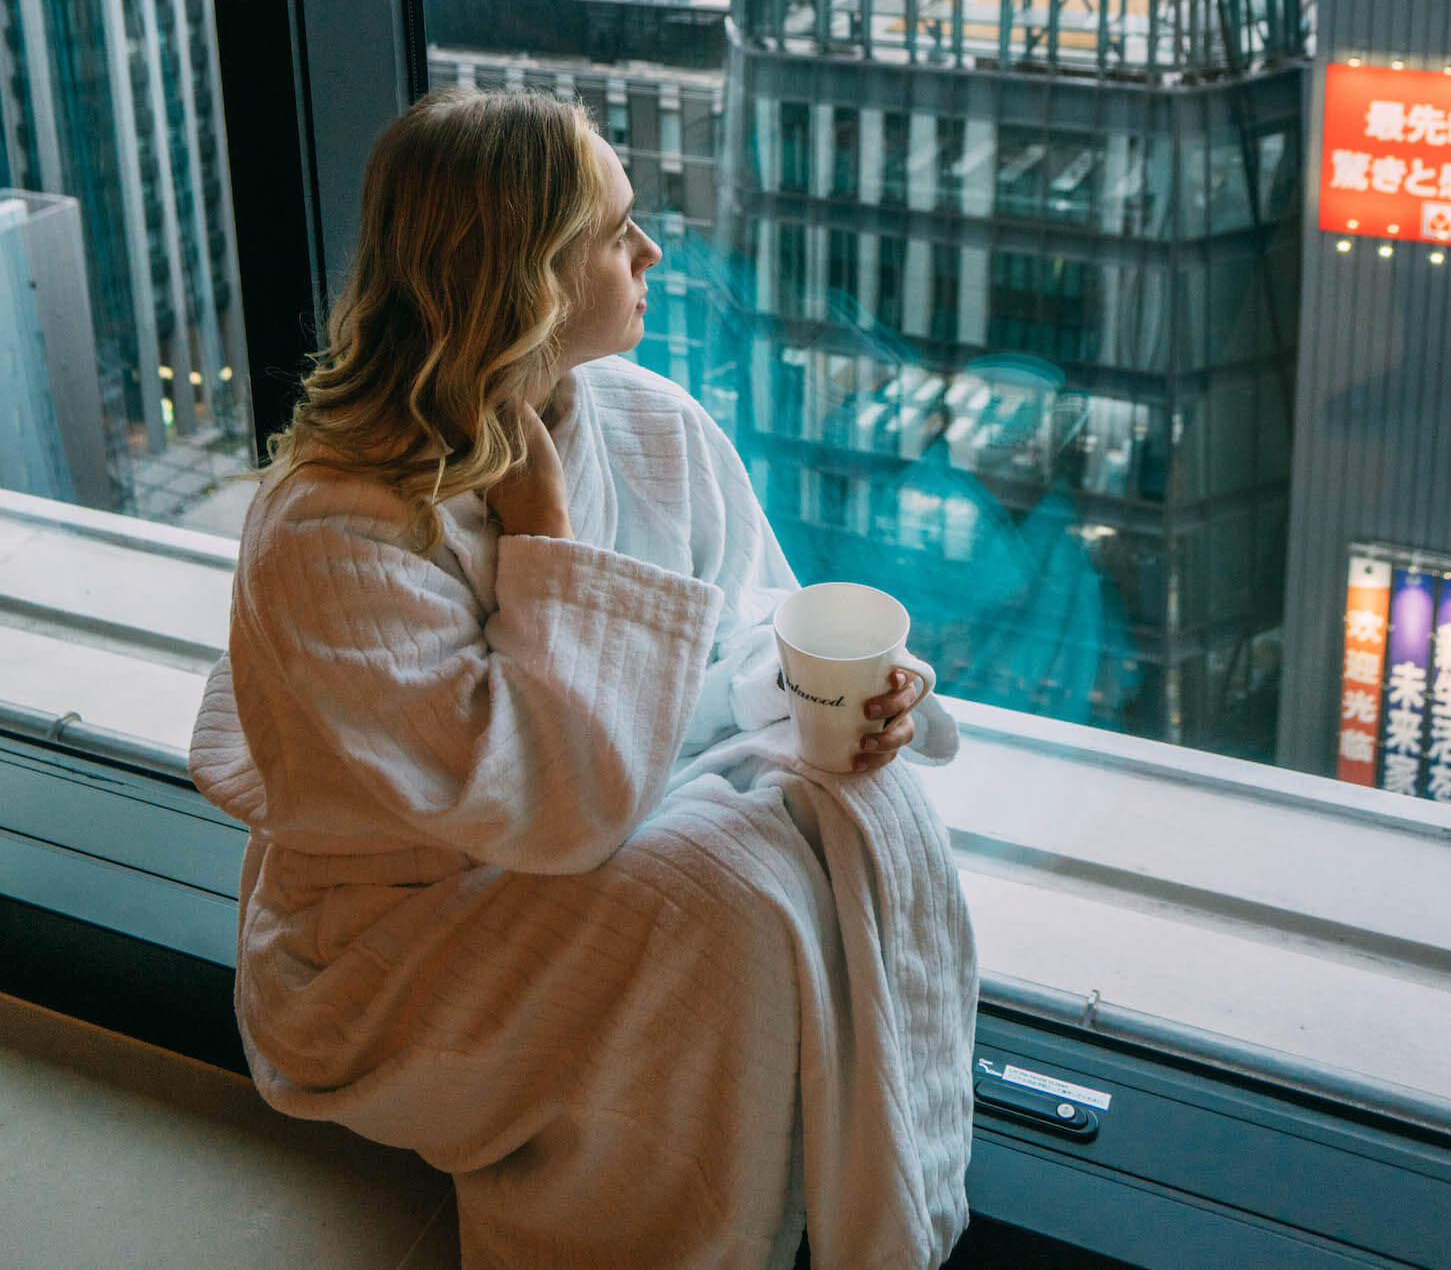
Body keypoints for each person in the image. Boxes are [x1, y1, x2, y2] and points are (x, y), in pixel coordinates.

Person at [189, 89, 978, 1270]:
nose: (651, 250)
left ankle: (801, 1195)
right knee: (723, 893)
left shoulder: (650, 422)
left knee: (846, 803)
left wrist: (830, 696)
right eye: (615, 232)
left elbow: (736, 629)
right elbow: (549, 807)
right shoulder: (334, 535)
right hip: (391, 936)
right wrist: (547, 542)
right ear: (524, 281)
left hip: (578, 824)